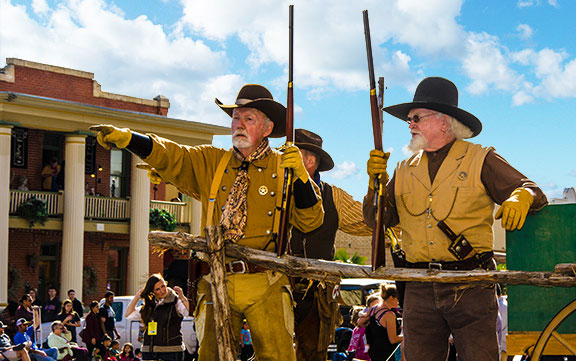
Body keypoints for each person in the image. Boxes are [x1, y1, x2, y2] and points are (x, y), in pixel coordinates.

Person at [90, 84, 324, 361]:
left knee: (277, 356)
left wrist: (300, 176)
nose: (238, 124)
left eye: (248, 119)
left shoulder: (284, 167)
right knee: (210, 356)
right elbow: (172, 155)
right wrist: (129, 138)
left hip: (266, 282)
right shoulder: (212, 161)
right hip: (216, 277)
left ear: (268, 128)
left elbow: (310, 220)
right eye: (236, 118)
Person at [363, 77, 548, 361]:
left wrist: (521, 197)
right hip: (419, 287)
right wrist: (374, 184)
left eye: (416, 118)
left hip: (470, 285)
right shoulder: (402, 169)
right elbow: (377, 220)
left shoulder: (480, 159)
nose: (410, 124)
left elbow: (532, 190)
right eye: (409, 120)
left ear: (444, 122)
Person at [290, 129, 372, 361]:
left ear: (311, 161)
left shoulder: (333, 196)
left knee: (313, 351)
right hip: (275, 284)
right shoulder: (273, 188)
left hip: (317, 290)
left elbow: (368, 222)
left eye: (296, 154)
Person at [124, 274, 189, 361]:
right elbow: (128, 315)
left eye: (163, 286)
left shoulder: (175, 301)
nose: (162, 291)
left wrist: (182, 297)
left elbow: (190, 312)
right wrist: (137, 297)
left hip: (172, 351)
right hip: (149, 352)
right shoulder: (149, 306)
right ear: (153, 291)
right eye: (157, 289)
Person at [363, 284, 402, 361]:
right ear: (391, 298)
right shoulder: (389, 315)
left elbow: (360, 322)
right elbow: (393, 339)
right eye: (397, 299)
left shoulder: (375, 309)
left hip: (374, 351)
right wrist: (406, 337)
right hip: (387, 354)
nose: (398, 302)